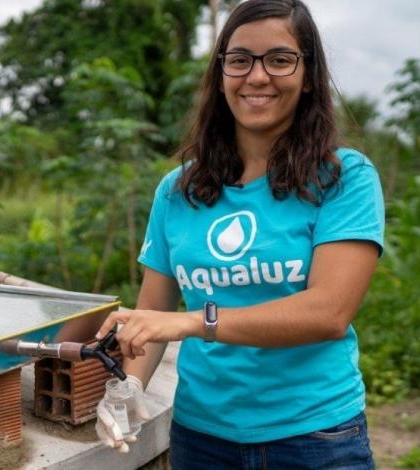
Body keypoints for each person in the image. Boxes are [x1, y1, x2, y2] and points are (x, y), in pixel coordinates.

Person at [93, 0, 384, 468]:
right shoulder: (178, 190)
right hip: (200, 438)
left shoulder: (343, 177)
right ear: (221, 73)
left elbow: (329, 312)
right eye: (240, 59)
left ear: (308, 75)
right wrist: (129, 388)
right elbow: (154, 316)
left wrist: (194, 322)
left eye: (280, 59)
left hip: (315, 437)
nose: (257, 76)